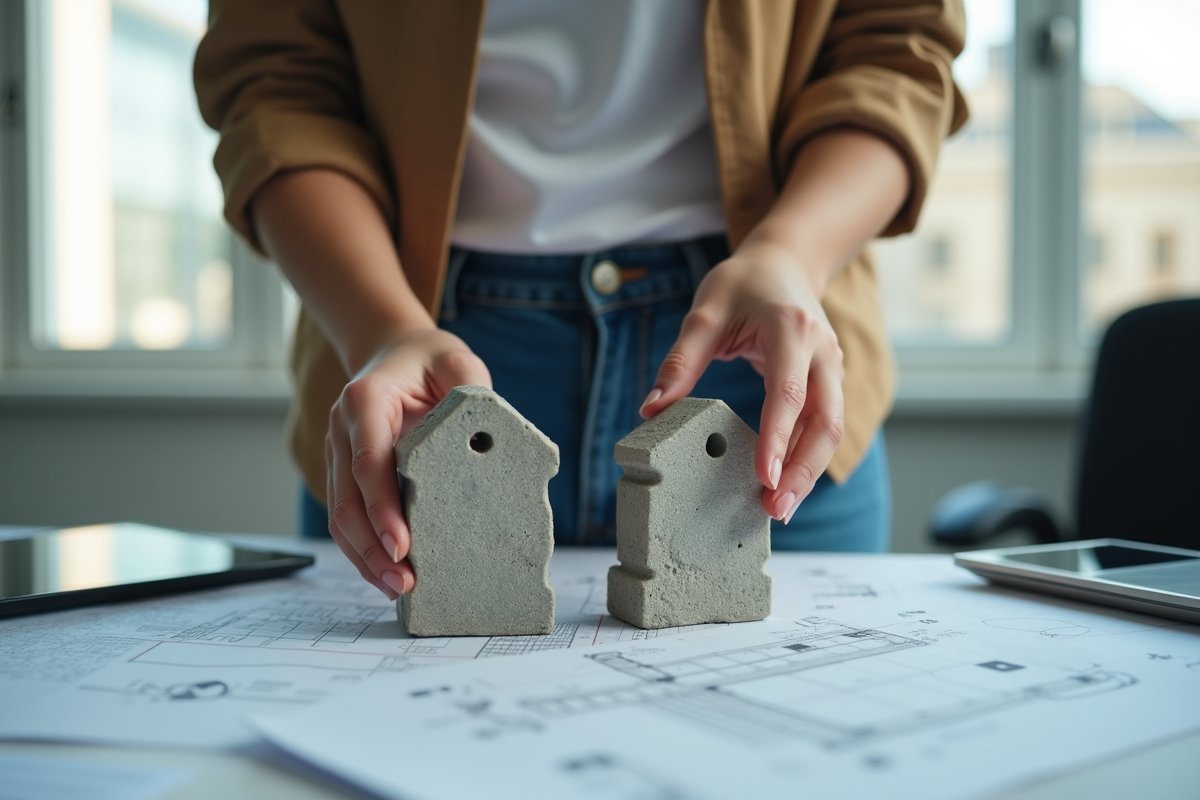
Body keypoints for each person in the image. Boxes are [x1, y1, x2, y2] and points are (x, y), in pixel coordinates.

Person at [194, 1, 967, 600]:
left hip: (762, 347)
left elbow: (897, 50)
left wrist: (792, 256)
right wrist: (378, 328)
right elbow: (275, 84)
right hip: (414, 355)